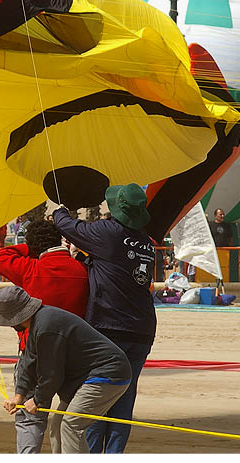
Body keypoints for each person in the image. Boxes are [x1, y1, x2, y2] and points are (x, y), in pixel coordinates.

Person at [51, 183, 156, 454]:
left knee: (97, 398)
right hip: (142, 330)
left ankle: (94, 455)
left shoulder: (108, 232)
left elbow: (68, 226)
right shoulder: (146, 242)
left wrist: (60, 210)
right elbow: (116, 270)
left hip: (110, 328)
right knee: (124, 399)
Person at [0, 220, 89, 453]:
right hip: (73, 355)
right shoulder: (81, 270)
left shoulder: (30, 269)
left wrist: (31, 248)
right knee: (72, 423)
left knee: (29, 419)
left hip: (34, 353)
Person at [0, 286, 131, 454]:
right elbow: (29, 361)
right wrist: (19, 395)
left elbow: (51, 374)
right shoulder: (39, 322)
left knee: (72, 424)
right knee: (58, 424)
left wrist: (37, 400)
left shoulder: (46, 327)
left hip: (108, 374)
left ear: (14, 317)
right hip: (91, 376)